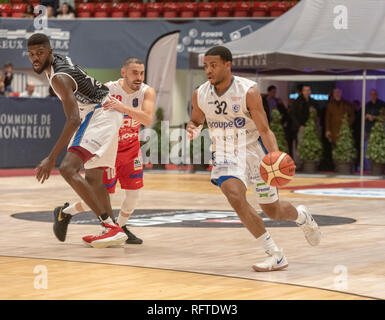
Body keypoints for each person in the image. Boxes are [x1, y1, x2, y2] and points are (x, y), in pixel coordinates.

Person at [186, 46, 321, 272]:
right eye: (206, 66)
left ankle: (301, 216)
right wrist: (193, 128)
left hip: (253, 150)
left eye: (213, 65)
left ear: (228, 65)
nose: (208, 70)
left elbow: (265, 130)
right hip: (225, 152)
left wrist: (275, 156)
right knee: (234, 196)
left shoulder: (248, 91)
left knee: (273, 210)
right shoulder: (200, 93)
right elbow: (196, 120)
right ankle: (275, 254)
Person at [27, 33, 127, 248]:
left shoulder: (58, 78)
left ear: (49, 52)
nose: (35, 58)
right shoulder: (60, 61)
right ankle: (110, 230)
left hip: (99, 114)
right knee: (94, 179)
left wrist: (51, 158)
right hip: (109, 111)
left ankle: (110, 226)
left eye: (40, 53)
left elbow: (72, 120)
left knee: (67, 169)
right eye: (32, 54)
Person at [60, 58, 156, 245]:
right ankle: (65, 213)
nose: (139, 77)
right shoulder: (107, 89)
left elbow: (146, 119)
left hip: (131, 149)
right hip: (110, 148)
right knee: (102, 197)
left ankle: (119, 228)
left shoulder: (147, 91)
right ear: (123, 73)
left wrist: (122, 108)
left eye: (141, 73)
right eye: (134, 73)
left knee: (133, 196)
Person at [290, 84, 319, 167]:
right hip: (301, 127)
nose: (307, 92)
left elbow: (318, 114)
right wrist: (299, 125)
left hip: (311, 127)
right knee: (300, 144)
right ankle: (299, 163)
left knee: (311, 144)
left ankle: (310, 162)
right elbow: (293, 115)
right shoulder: (297, 101)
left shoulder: (313, 102)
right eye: (305, 90)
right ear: (302, 92)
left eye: (308, 90)